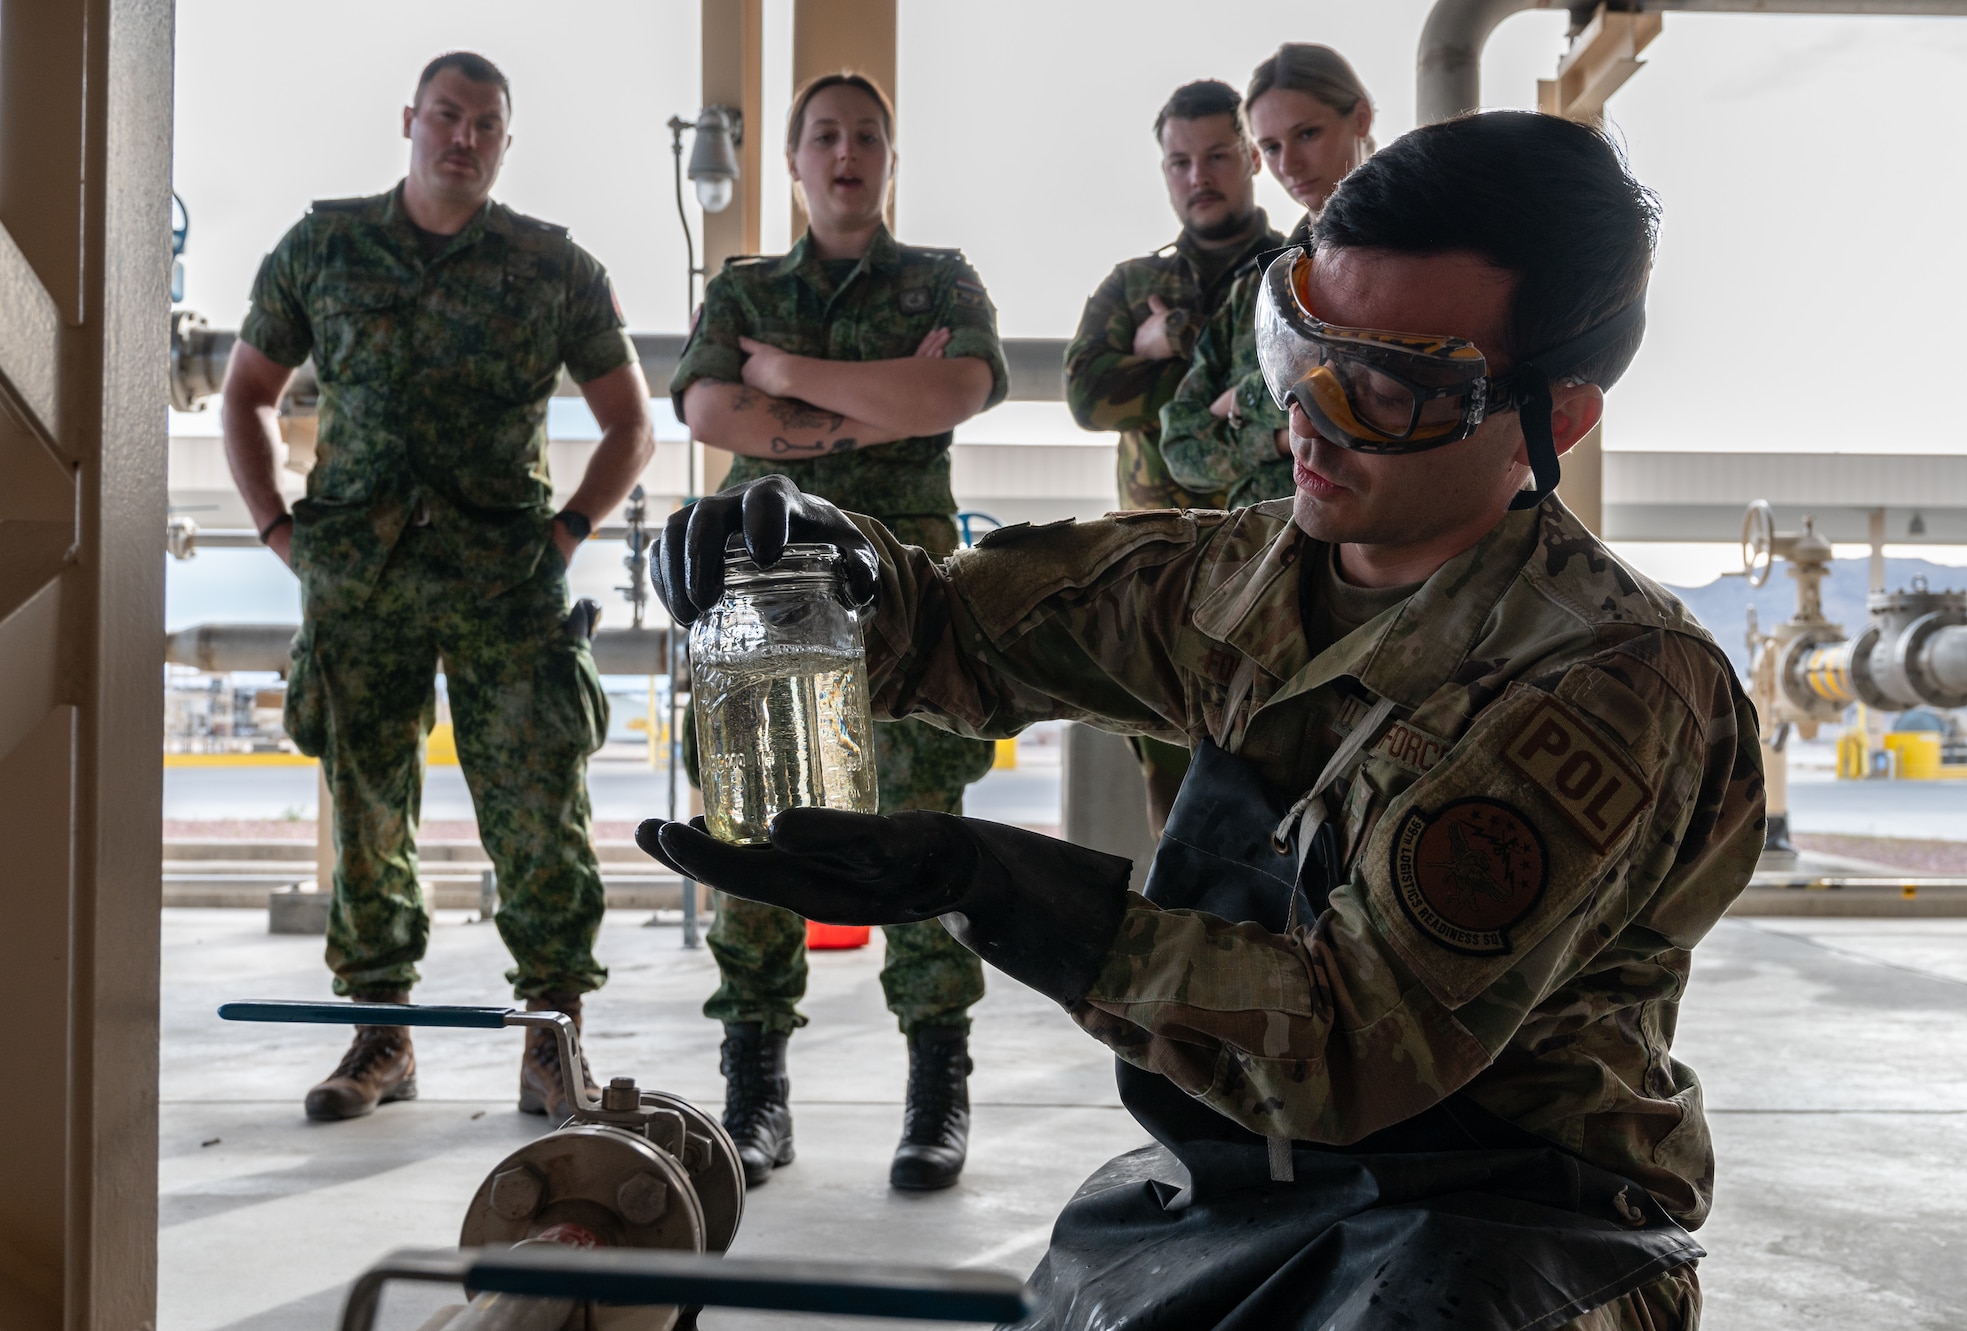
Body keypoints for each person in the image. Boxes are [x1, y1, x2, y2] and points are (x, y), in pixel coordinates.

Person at [644, 112, 1760, 1330]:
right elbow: (960, 632)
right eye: (1300, 348)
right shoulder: (1245, 578)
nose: (1312, 417)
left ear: (1558, 417)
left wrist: (992, 881)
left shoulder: (1606, 682)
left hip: (1515, 1228)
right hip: (1256, 1177)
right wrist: (831, 556)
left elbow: (1343, 1042)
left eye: (1388, 384)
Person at [220, 52, 654, 1124]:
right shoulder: (321, 249)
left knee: (540, 807)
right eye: (446, 117)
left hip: (505, 580)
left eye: (486, 124)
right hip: (359, 582)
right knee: (367, 811)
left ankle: (552, 1039)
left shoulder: (552, 267)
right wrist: (280, 529)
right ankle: (380, 1035)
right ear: (409, 120)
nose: (462, 137)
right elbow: (246, 396)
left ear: (505, 142)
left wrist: (564, 535)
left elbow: (630, 423)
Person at [667, 71, 1009, 1193]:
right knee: (760, 839)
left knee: (921, 832)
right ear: (793, 160)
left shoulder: (941, 279)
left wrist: (784, 379)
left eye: (867, 135)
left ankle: (934, 1087)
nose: (846, 151)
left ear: (889, 158)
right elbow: (711, 412)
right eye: (824, 135)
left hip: (904, 590)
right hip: (765, 587)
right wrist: (872, 398)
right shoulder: (743, 284)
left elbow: (950, 392)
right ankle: (753, 1087)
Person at [1064, 78, 1288, 835]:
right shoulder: (1135, 284)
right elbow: (1089, 399)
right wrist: (1206, 381)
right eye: (1180, 162)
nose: (1200, 176)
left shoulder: (1296, 269)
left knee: (1286, 777)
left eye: (1218, 154)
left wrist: (1167, 348)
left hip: (1276, 555)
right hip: (1161, 567)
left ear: (1252, 157)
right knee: (1177, 792)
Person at [1162, 43, 1374, 510]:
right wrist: (1278, 437)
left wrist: (1244, 401)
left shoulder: (1416, 257)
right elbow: (1180, 442)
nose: (1288, 165)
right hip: (1263, 551)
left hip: (1384, 551)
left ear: (1360, 119)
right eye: (1271, 147)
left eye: (1308, 134)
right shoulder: (1261, 285)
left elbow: (1379, 396)